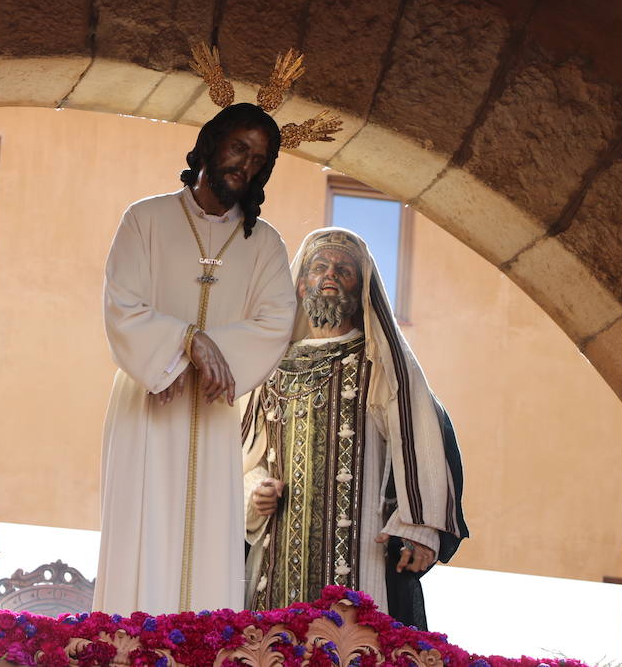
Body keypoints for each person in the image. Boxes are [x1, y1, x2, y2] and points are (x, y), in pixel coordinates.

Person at [94, 103, 297, 616]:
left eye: (258, 160)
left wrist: (206, 352)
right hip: (148, 400)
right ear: (210, 143)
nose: (245, 166)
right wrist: (185, 342)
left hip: (212, 410)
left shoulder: (266, 245)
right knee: (141, 529)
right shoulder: (145, 220)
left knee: (206, 536)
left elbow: (275, 324)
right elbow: (123, 304)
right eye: (238, 149)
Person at [242, 228, 468, 628]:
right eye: (319, 267)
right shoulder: (269, 368)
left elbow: (421, 442)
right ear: (300, 285)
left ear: (360, 288)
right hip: (275, 555)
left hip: (360, 553)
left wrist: (420, 527)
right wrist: (254, 491)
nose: (330, 274)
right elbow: (244, 455)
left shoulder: (381, 364)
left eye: (343, 269)